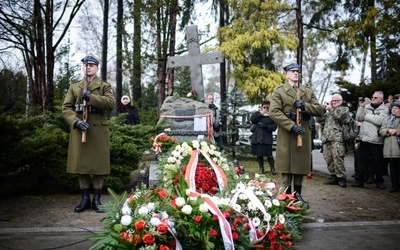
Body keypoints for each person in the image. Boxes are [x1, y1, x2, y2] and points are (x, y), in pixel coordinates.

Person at [62, 55, 116, 213]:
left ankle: (97, 200)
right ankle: (85, 199)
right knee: (82, 165)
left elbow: (111, 103)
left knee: (99, 166)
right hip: (81, 128)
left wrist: (91, 97)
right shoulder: (75, 87)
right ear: (82, 68)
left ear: (97, 68)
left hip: (98, 130)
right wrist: (75, 122)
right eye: (86, 65)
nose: (88, 67)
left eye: (92, 65)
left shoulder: (104, 86)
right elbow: (66, 108)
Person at [270, 62, 324, 206]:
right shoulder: (279, 91)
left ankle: (298, 194)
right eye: (292, 71)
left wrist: (305, 106)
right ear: (287, 74)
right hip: (288, 131)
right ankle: (286, 195)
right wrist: (291, 126)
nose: (295, 73)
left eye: (297, 71)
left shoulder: (307, 91)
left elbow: (319, 110)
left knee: (300, 165)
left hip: (303, 131)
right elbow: (274, 112)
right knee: (286, 165)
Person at [351, 91, 389, 189]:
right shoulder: (366, 107)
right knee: (361, 161)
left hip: (376, 140)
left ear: (381, 99)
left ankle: (379, 181)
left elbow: (380, 121)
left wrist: (366, 116)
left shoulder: (385, 109)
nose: (373, 99)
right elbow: (359, 117)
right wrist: (361, 106)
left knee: (377, 162)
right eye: (372, 97)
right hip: (364, 138)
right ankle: (359, 180)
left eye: (376, 97)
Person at [316, 94, 351, 188]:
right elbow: (320, 120)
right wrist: (322, 110)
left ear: (341, 101)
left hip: (337, 139)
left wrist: (330, 109)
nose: (334, 102)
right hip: (327, 139)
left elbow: (339, 117)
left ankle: (341, 178)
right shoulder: (329, 112)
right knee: (328, 159)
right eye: (332, 100)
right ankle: (333, 176)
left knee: (338, 158)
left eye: (336, 100)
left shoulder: (344, 109)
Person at [250, 100, 277, 175]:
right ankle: (261, 168)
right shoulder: (258, 114)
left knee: (269, 155)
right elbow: (252, 120)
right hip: (258, 137)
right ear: (262, 107)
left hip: (267, 137)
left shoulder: (272, 115)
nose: (266, 109)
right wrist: (261, 113)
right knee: (259, 154)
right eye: (264, 107)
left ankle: (272, 168)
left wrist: (266, 126)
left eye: (267, 107)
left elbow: (274, 127)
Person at [379, 101, 400, 193]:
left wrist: (396, 131)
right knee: (393, 170)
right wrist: (387, 131)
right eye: (393, 108)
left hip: (398, 147)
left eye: (396, 108)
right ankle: (394, 186)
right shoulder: (387, 119)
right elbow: (381, 130)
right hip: (390, 149)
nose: (394, 110)